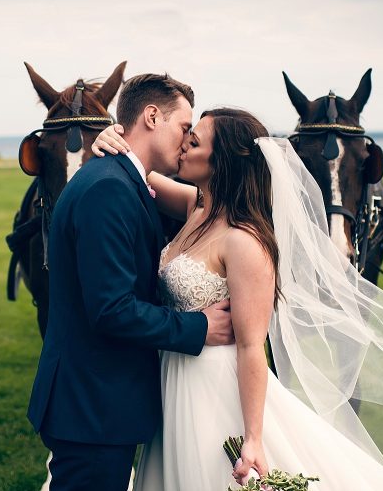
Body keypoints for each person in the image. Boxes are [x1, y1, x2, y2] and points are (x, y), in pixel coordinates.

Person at [93, 108, 383, 490]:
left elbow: (254, 347)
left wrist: (253, 437)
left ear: (225, 162)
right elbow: (139, 172)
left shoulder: (243, 242)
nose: (183, 146)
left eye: (194, 142)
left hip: (214, 387)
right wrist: (111, 137)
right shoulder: (195, 208)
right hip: (174, 377)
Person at [27, 73, 235, 491]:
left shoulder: (120, 179)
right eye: (183, 127)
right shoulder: (109, 188)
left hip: (100, 402)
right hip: (93, 407)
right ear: (152, 116)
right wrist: (199, 327)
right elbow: (112, 310)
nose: (187, 139)